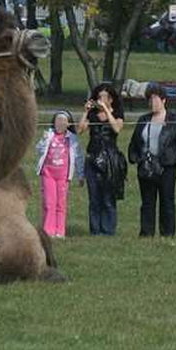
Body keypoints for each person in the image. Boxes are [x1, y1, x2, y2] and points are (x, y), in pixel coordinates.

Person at [127, 82, 176, 238]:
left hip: (166, 168)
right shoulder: (143, 120)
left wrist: (170, 160)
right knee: (147, 203)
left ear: (163, 101)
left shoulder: (175, 120)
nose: (152, 103)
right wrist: (136, 158)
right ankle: (146, 233)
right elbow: (134, 142)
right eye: (149, 99)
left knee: (167, 202)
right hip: (146, 168)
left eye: (155, 99)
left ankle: (167, 233)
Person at [77, 82, 126, 236]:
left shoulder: (117, 113)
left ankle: (108, 230)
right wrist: (86, 112)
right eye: (98, 97)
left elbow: (117, 128)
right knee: (94, 198)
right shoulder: (92, 115)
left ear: (111, 99)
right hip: (92, 158)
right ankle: (95, 230)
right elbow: (80, 130)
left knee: (108, 198)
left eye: (104, 97)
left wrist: (106, 110)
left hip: (110, 160)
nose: (100, 99)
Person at [35, 109, 85, 238]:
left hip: (63, 176)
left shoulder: (72, 139)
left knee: (61, 204)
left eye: (63, 121)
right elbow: (39, 149)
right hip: (48, 174)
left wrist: (80, 174)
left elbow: (78, 156)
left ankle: (60, 231)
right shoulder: (49, 135)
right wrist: (44, 140)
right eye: (58, 120)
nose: (60, 123)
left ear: (68, 124)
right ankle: (48, 231)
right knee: (48, 202)